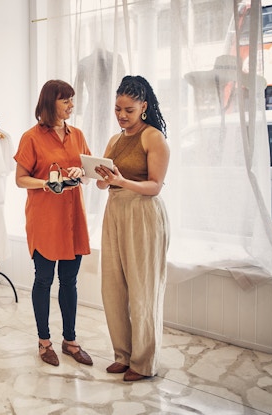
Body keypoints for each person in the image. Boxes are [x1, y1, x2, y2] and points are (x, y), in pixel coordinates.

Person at [94, 75, 170, 382]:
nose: (122, 115)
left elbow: (155, 187)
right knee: (113, 288)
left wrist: (120, 180)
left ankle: (143, 362)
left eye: (128, 109)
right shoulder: (114, 140)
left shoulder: (153, 138)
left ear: (143, 107)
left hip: (143, 214)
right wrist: (99, 175)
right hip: (115, 211)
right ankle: (122, 355)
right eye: (117, 109)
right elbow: (103, 183)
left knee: (142, 290)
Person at [13, 79, 93, 367]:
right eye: (66, 100)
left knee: (69, 281)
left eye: (72, 99)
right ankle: (44, 342)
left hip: (73, 218)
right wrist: (46, 183)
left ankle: (70, 341)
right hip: (45, 219)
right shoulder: (31, 137)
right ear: (50, 103)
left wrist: (79, 171)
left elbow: (87, 174)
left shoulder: (78, 134)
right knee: (44, 280)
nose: (72, 105)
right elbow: (20, 179)